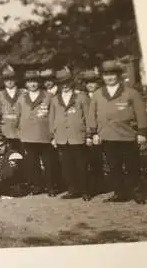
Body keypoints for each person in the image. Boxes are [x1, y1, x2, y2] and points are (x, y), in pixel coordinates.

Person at [88, 60, 147, 204]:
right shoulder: (97, 94)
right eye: (106, 75)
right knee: (114, 166)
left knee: (132, 166)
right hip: (108, 136)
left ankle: (136, 192)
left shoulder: (130, 92)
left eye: (112, 74)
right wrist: (94, 133)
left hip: (127, 135)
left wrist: (142, 132)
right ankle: (119, 193)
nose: (109, 78)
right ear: (102, 77)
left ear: (118, 75)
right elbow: (92, 114)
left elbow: (141, 113)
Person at [49, 69, 92, 201]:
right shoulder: (55, 99)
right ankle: (72, 190)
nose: (65, 85)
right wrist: (53, 136)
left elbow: (88, 116)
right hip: (62, 137)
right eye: (62, 83)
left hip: (78, 136)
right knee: (67, 166)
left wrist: (89, 135)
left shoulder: (81, 97)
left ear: (71, 82)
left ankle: (85, 191)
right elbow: (52, 118)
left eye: (67, 82)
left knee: (81, 165)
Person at [16, 69, 59, 196]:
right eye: (29, 82)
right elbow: (17, 116)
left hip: (45, 135)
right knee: (32, 163)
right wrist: (19, 132)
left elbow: (54, 116)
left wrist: (53, 134)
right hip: (27, 135)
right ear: (26, 84)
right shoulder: (22, 98)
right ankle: (37, 186)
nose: (32, 84)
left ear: (39, 83)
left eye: (35, 81)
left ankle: (51, 187)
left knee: (49, 163)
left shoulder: (48, 96)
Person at [79, 68, 105, 195]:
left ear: (98, 83)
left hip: (100, 131)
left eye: (93, 82)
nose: (90, 85)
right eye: (88, 82)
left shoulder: (102, 95)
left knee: (99, 159)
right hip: (86, 133)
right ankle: (91, 186)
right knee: (88, 160)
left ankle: (102, 185)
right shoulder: (82, 96)